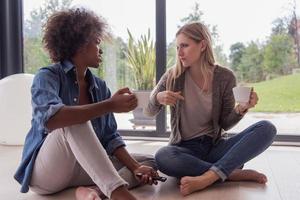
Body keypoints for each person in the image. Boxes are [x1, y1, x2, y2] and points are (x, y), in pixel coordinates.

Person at [14, 8, 159, 200]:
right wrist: (109, 105)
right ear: (81, 45)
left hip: (83, 168)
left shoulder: (99, 87)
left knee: (149, 161)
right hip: (47, 173)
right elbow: (52, 120)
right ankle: (119, 194)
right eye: (97, 42)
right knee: (73, 120)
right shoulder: (47, 76)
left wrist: (135, 167)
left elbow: (110, 138)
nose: (100, 50)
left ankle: (94, 191)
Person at [145, 22, 277, 196]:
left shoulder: (225, 77)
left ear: (203, 45)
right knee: (163, 157)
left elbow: (225, 123)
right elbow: (149, 111)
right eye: (177, 47)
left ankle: (206, 177)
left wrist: (241, 109)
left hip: (215, 146)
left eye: (184, 45)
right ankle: (229, 173)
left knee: (267, 128)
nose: (179, 53)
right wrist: (158, 98)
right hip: (185, 149)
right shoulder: (173, 75)